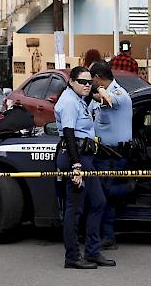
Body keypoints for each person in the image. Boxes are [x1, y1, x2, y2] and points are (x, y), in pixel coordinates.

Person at [54, 66, 115, 269]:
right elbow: (69, 134)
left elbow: (98, 97)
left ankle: (92, 252)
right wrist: (76, 165)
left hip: (85, 156)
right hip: (76, 156)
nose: (87, 86)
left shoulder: (79, 98)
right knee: (75, 209)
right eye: (83, 82)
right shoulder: (69, 101)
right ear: (71, 81)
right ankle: (72, 256)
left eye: (90, 82)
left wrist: (101, 90)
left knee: (98, 202)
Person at [89, 62, 134, 251]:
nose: (88, 83)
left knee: (105, 193)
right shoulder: (98, 94)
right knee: (102, 193)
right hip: (101, 153)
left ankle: (131, 188)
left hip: (116, 154)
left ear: (98, 78)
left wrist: (93, 91)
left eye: (90, 79)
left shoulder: (119, 94)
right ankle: (104, 235)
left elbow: (106, 100)